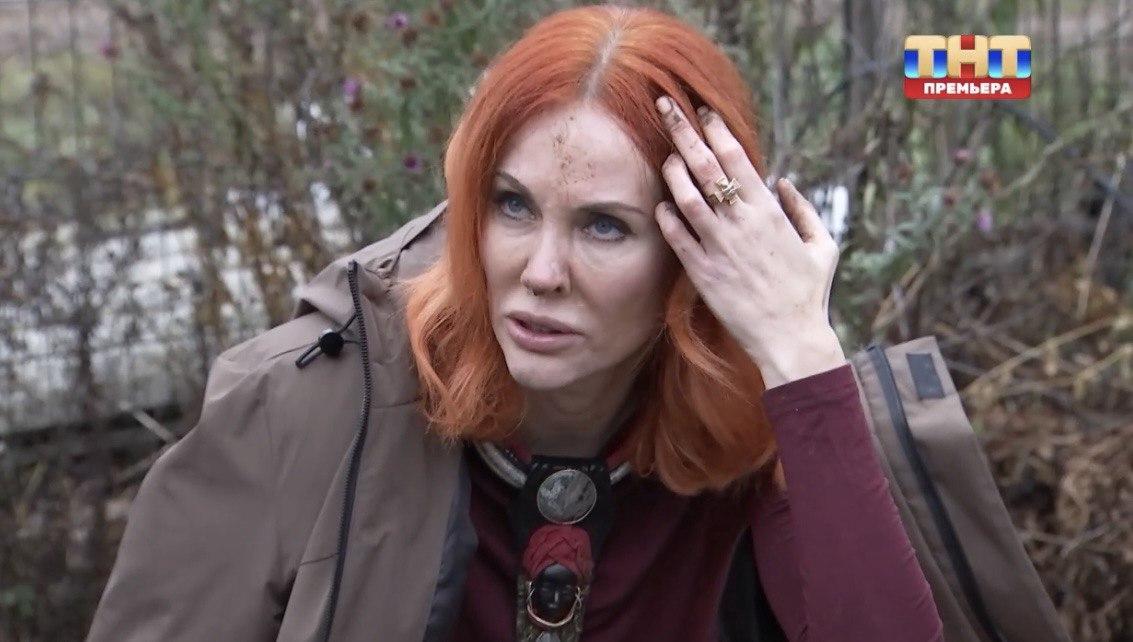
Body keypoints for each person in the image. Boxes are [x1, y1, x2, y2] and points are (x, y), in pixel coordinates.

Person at [87, 4, 944, 641]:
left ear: (694, 254)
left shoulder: (762, 424)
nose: (540, 273)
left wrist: (799, 350)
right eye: (512, 205)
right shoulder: (310, 404)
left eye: (603, 226)